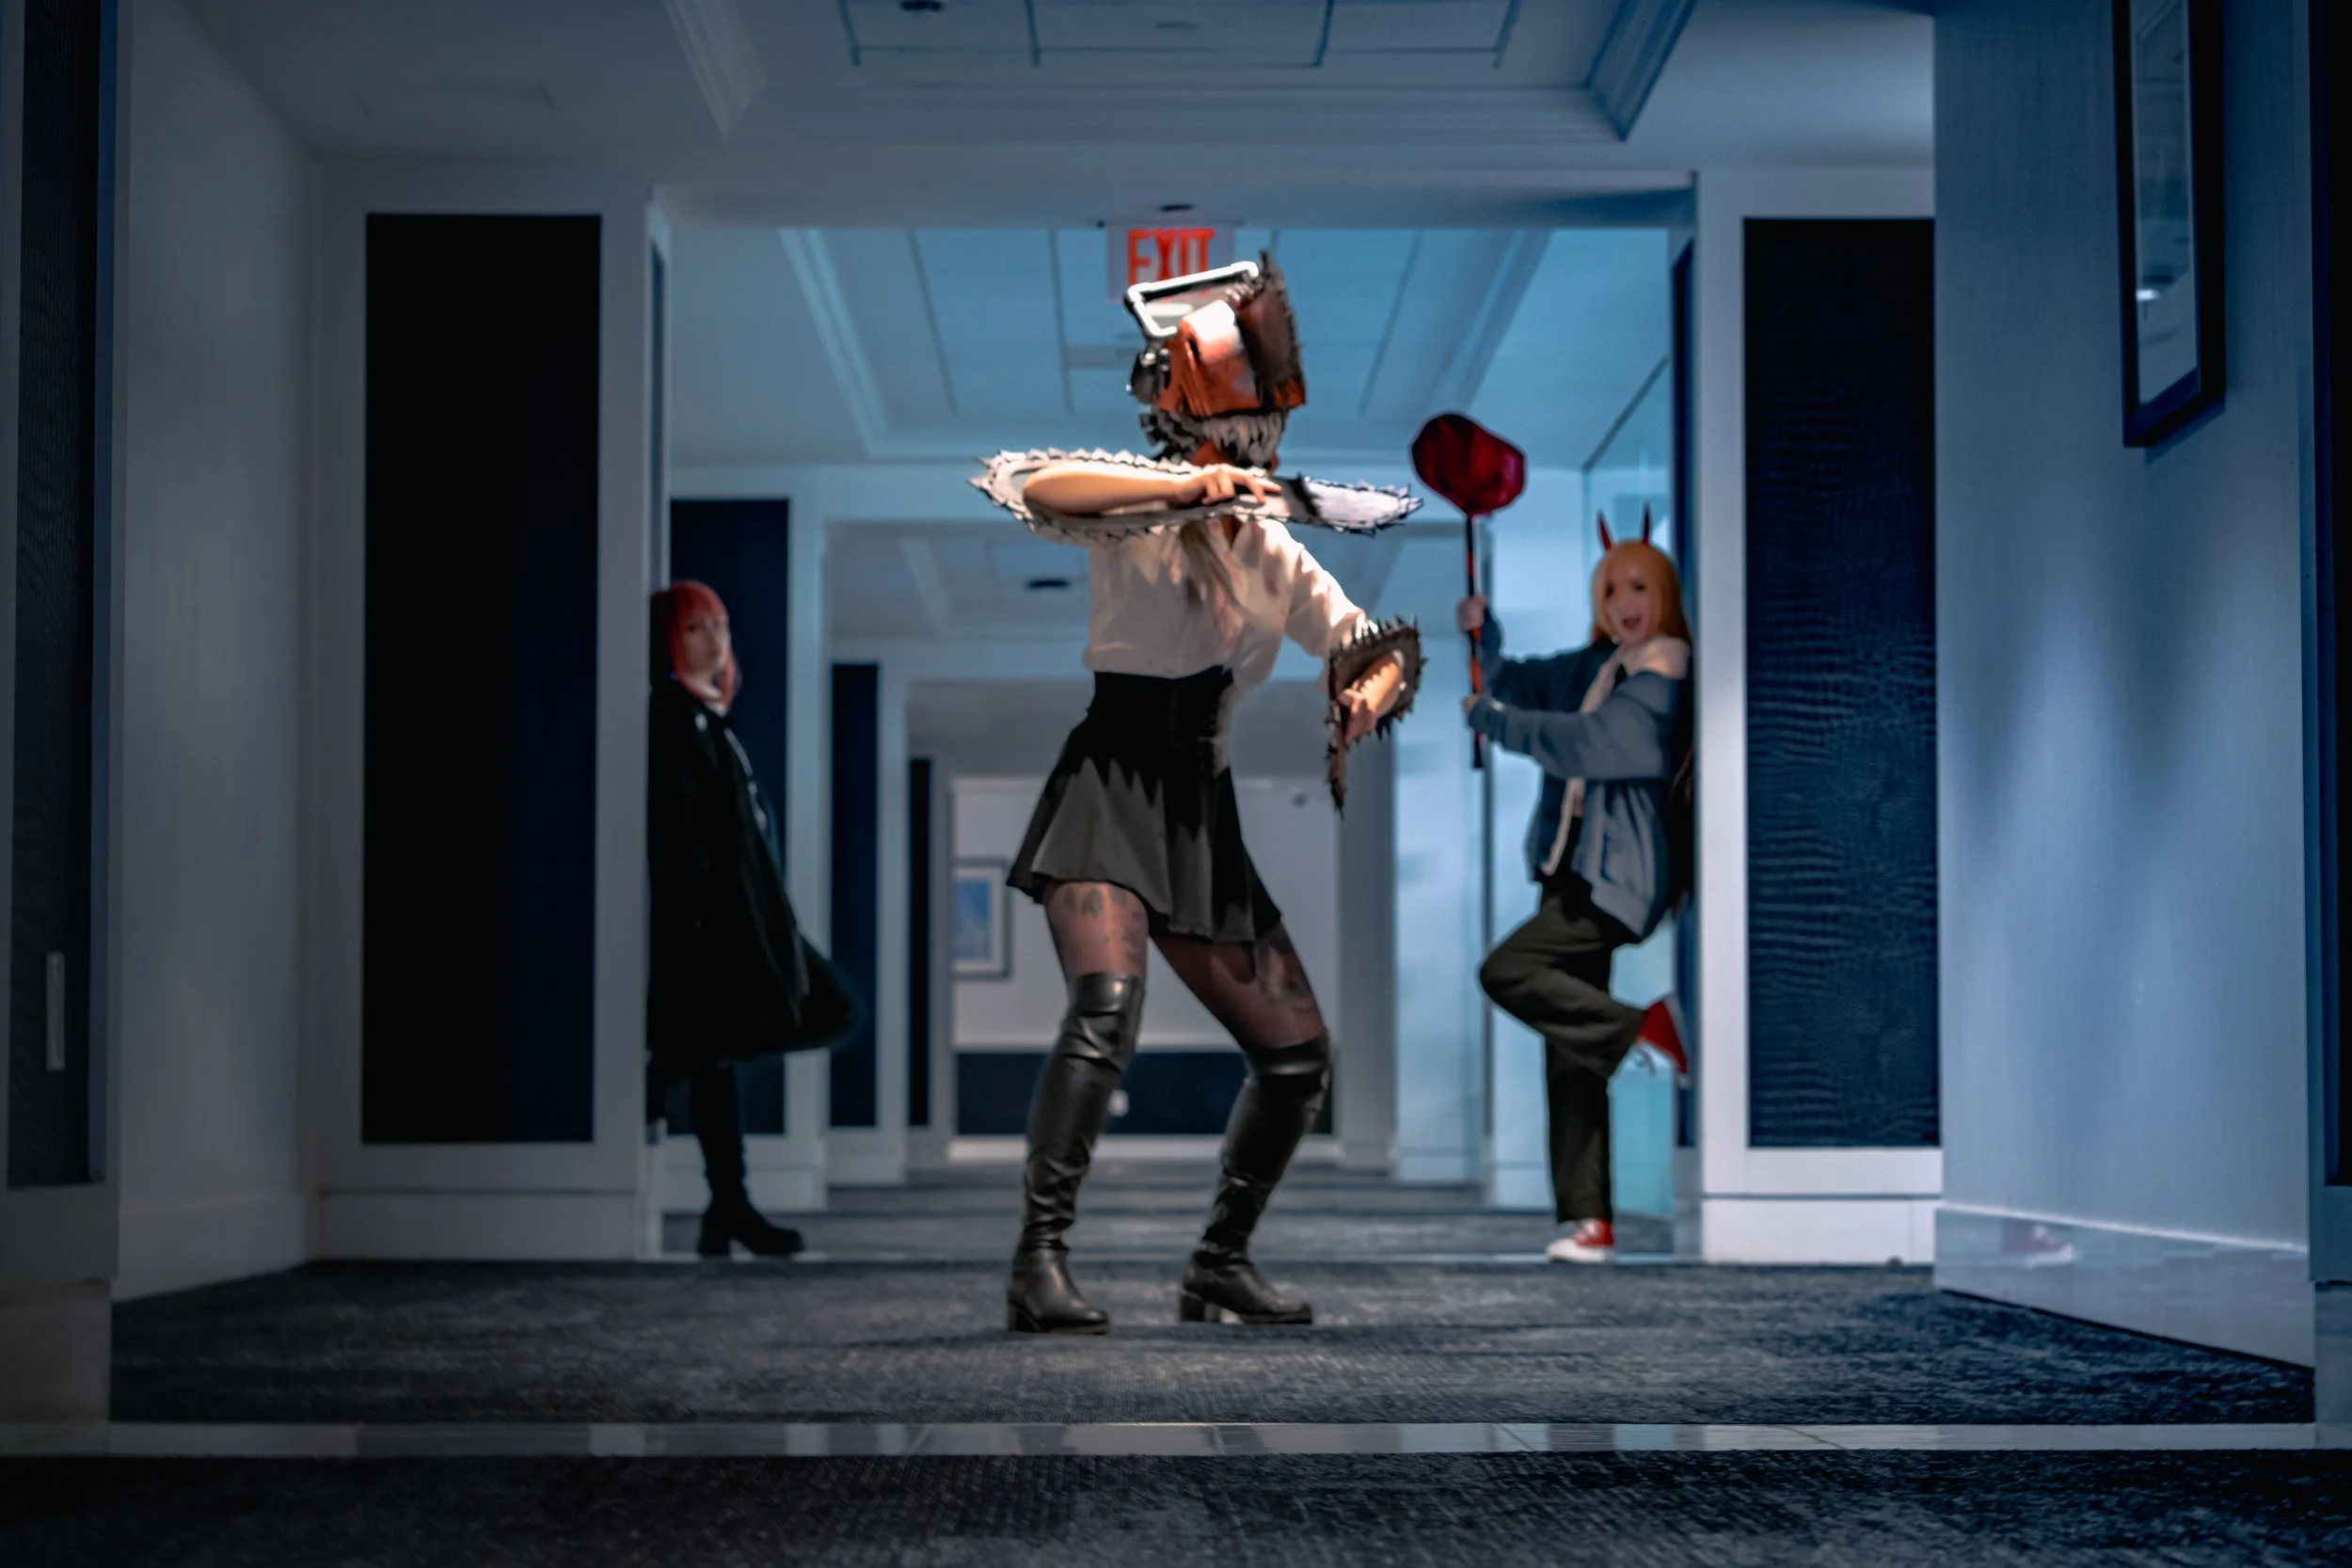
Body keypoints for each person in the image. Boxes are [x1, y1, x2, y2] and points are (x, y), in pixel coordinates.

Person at [973, 253, 1423, 1334]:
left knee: (1297, 1056)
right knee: (1106, 1006)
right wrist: (1185, 491)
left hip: (1198, 806)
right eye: (1236, 430)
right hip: (1109, 780)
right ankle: (1038, 1261)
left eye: (1261, 432)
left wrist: (1370, 688)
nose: (1254, 448)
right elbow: (1026, 482)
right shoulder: (1133, 512)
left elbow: (1370, 642)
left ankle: (1218, 1263)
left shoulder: (1273, 551)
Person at [1461, 515, 1693, 1264]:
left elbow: (1590, 744)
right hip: (1569, 867)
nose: (1624, 603)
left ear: (1664, 594)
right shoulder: (1598, 666)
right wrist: (1485, 636)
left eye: (1639, 587)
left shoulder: (1661, 675)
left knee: (1507, 971)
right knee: (1569, 1045)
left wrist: (1498, 726)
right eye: (1611, 590)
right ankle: (1590, 1219)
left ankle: (1645, 1028)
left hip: (1618, 876)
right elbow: (1518, 680)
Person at [645, 580, 862, 1259]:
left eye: (719, 626)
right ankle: (725, 1193)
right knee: (815, 1014)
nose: (713, 641)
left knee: (730, 1052)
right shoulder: (673, 717)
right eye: (694, 629)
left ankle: (726, 1206)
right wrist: (712, 919)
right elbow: (684, 838)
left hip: (750, 916)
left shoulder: (712, 720)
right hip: (718, 925)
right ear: (668, 641)